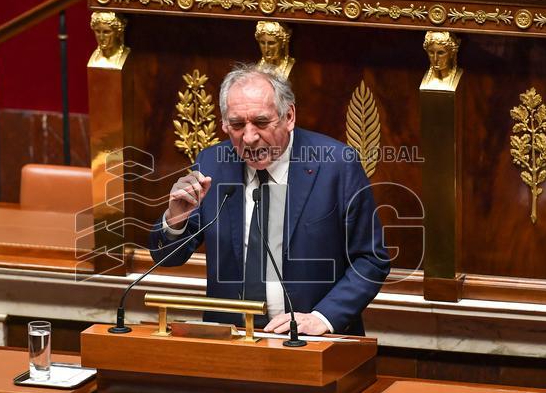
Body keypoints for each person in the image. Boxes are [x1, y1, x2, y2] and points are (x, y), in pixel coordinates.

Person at [149, 64, 390, 336]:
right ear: (224, 124)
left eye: (261, 123)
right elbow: (167, 258)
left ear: (288, 116)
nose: (249, 138)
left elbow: (371, 259)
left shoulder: (336, 165)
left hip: (312, 341)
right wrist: (175, 220)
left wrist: (323, 318)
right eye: (237, 125)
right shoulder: (213, 163)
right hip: (232, 340)